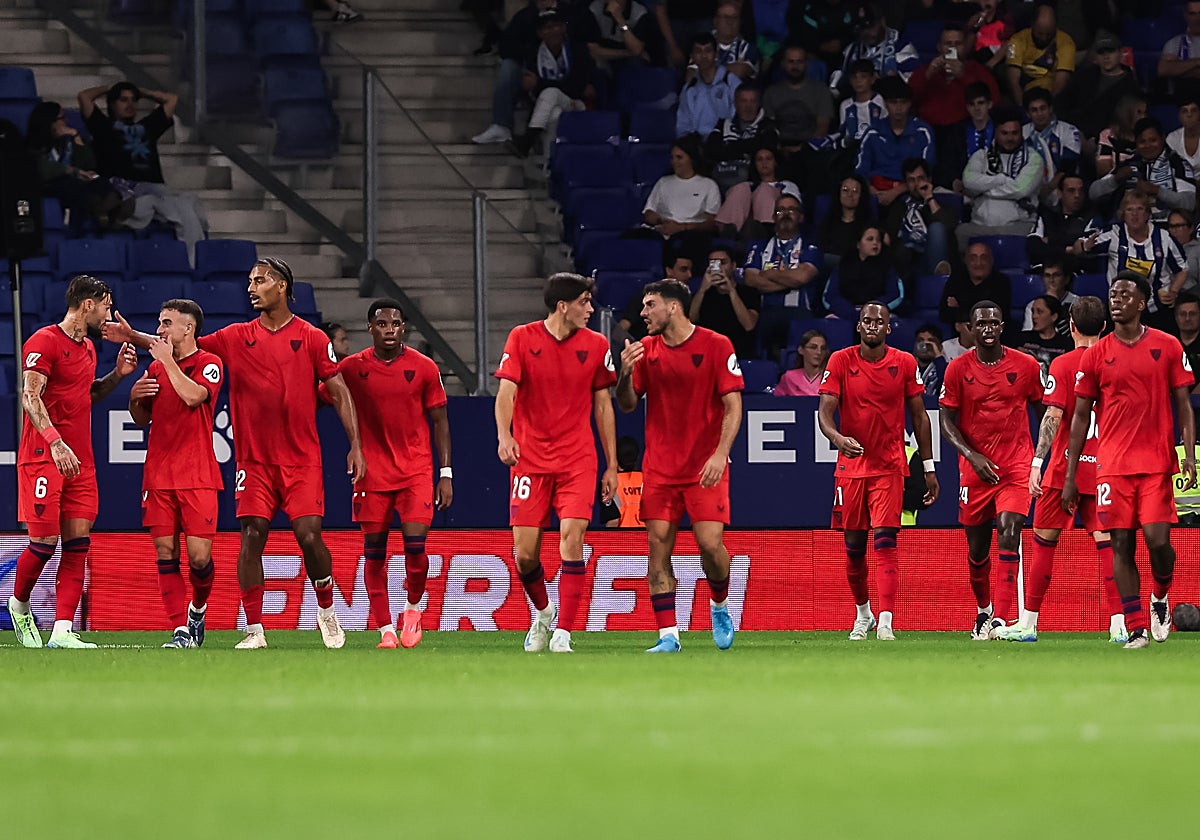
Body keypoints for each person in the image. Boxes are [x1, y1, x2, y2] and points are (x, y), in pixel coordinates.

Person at [105, 258, 365, 649]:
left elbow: (339, 389)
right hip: (253, 460)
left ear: (281, 286)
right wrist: (134, 336)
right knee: (251, 534)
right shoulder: (235, 336)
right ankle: (255, 629)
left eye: (259, 281)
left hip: (301, 457)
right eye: (249, 280)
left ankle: (326, 610)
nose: (251, 287)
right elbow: (180, 345)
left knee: (309, 536)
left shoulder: (311, 337)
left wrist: (355, 445)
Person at [1064, 273, 1197, 649]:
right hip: (1112, 465)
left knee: (1158, 542)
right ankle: (1136, 626)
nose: (1118, 298)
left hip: (1156, 461)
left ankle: (1160, 596)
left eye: (1126, 294)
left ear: (1142, 303)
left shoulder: (1167, 346)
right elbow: (1079, 416)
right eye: (1113, 294)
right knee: (1120, 542)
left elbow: (1184, 404)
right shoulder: (1095, 355)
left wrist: (1187, 455)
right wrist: (1072, 475)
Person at [9, 276, 138, 649]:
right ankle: (18, 605)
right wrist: (55, 443)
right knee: (44, 542)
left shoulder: (88, 350)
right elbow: (30, 396)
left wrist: (117, 376)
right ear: (88, 304)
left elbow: (88, 393)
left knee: (77, 544)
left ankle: (62, 630)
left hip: (81, 462)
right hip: (44, 457)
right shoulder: (44, 340)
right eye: (106, 307)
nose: (108, 315)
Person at [616, 279, 744, 653]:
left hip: (705, 467)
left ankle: (719, 605)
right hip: (659, 470)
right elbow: (626, 404)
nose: (642, 313)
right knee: (658, 550)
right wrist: (625, 374)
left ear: (673, 307)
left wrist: (720, 454)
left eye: (649, 304)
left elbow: (734, 405)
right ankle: (668, 635)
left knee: (710, 545)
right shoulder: (645, 351)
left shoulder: (716, 345)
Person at [495, 273, 618, 654]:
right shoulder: (522, 337)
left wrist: (611, 464)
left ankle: (564, 630)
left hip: (577, 459)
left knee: (572, 540)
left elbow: (603, 406)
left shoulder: (597, 344)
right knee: (525, 554)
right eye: (584, 302)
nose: (590, 309)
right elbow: (506, 393)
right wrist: (505, 435)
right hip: (530, 459)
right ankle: (544, 613)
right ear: (563, 305)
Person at [999, 296, 1127, 642]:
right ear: (1104, 327)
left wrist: (1037, 462)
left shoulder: (1063, 365)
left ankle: (1028, 624)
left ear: (1070, 326)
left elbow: (1053, 416)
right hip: (1104, 469)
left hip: (1063, 468)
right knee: (1108, 545)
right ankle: (1119, 625)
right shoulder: (1117, 362)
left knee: (1044, 543)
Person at [325, 300, 451, 649]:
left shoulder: (424, 368)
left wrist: (446, 472)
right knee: (375, 552)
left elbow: (440, 420)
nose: (390, 330)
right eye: (382, 324)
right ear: (370, 329)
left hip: (415, 471)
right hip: (372, 473)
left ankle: (412, 611)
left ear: (403, 328)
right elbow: (324, 395)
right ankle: (385, 630)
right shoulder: (351, 368)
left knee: (415, 547)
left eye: (396, 324)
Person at [818, 302, 937, 641]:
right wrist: (838, 438)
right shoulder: (840, 360)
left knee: (885, 541)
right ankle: (863, 613)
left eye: (878, 321)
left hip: (889, 466)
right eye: (866, 320)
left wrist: (928, 467)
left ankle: (885, 619)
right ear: (858, 326)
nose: (872, 325)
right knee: (854, 548)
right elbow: (824, 411)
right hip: (851, 468)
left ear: (888, 328)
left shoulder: (904, 362)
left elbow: (919, 417)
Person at [939, 299, 1044, 640]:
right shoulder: (957, 369)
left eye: (993, 323)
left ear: (1002, 326)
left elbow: (1044, 410)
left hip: (1015, 466)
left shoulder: (1026, 366)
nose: (987, 329)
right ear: (970, 328)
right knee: (977, 551)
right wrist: (972, 456)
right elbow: (945, 419)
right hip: (975, 470)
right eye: (980, 323)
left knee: (1009, 529)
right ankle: (983, 609)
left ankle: (999, 618)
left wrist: (1041, 457)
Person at [127, 299, 222, 649]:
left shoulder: (209, 363)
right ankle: (180, 630)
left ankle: (197, 610)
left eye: (167, 323)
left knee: (200, 558)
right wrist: (134, 398)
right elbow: (141, 418)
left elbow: (195, 396)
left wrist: (166, 362)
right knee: (165, 553)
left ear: (188, 328)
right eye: (160, 322)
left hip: (198, 475)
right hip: (158, 476)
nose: (161, 329)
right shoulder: (153, 370)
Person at [77, 82, 208, 262]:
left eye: (133, 100)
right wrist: (110, 87)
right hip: (123, 187)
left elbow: (171, 99)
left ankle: (193, 260)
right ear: (112, 104)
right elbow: (84, 96)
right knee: (167, 206)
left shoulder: (147, 126)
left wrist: (143, 91)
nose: (130, 104)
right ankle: (119, 212)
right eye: (123, 100)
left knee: (187, 205)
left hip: (154, 187)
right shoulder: (103, 126)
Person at [25, 101, 131, 235]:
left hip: (76, 176)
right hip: (51, 183)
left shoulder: (67, 141)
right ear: (50, 122)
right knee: (74, 185)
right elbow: (42, 169)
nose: (66, 121)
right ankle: (106, 212)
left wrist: (77, 137)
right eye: (61, 118)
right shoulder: (33, 145)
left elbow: (88, 164)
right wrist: (71, 170)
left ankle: (112, 202)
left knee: (97, 177)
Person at [1086, 191, 1187, 330]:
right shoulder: (1114, 234)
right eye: (1129, 209)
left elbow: (1182, 268)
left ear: (1147, 213)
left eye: (1139, 209)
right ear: (1123, 214)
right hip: (1120, 309)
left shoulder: (1164, 238)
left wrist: (1173, 291)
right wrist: (1083, 247)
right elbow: (1080, 247)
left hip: (1156, 309)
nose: (1135, 214)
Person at [743, 193, 823, 354]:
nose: (786, 214)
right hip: (767, 311)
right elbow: (751, 279)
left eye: (791, 210)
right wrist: (790, 282)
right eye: (780, 210)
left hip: (799, 311)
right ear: (773, 217)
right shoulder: (758, 246)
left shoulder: (811, 245)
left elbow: (803, 277)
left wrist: (769, 274)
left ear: (801, 217)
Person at [509, 11, 597, 157]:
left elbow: (578, 87)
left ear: (563, 28)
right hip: (546, 106)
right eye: (547, 28)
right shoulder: (533, 53)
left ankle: (527, 140)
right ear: (540, 33)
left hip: (575, 103)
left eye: (556, 26)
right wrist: (543, 85)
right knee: (554, 115)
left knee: (550, 92)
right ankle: (549, 166)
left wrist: (541, 83)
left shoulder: (578, 50)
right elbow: (532, 89)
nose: (552, 31)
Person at [958, 106, 1044, 251]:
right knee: (960, 232)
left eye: (1014, 133)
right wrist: (1001, 179)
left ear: (1021, 133)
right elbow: (968, 181)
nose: (1010, 138)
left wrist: (983, 189)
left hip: (1018, 226)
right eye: (1004, 133)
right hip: (980, 226)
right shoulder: (980, 156)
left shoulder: (1033, 159)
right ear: (996, 133)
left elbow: (1020, 190)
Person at [1090, 117, 1196, 226]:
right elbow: (1093, 193)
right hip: (1128, 234)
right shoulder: (1128, 164)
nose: (1148, 146)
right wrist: (1115, 180)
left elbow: (1189, 202)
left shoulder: (1177, 164)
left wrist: (1157, 191)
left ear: (1163, 138)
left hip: (1167, 231)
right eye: (1142, 142)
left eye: (1153, 140)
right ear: (1136, 142)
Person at [854, 76, 936, 209]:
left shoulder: (923, 131)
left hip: (910, 192)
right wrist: (870, 190)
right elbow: (860, 169)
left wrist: (896, 192)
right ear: (886, 104)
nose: (898, 108)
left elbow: (927, 172)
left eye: (903, 102)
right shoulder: (873, 132)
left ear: (909, 104)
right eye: (893, 102)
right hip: (875, 193)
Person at [909, 23, 999, 130]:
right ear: (939, 47)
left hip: (966, 131)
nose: (953, 48)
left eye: (958, 43)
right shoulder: (924, 71)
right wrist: (927, 76)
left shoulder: (978, 70)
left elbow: (994, 102)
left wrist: (963, 76)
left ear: (965, 47)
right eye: (948, 44)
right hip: (928, 131)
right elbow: (907, 101)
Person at [1056, 32, 1141, 142]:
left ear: (1120, 53)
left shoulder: (1131, 86)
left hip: (1110, 140)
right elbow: (1062, 102)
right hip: (1073, 133)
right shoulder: (1084, 76)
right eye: (1101, 52)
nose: (1106, 57)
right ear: (1096, 57)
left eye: (1111, 51)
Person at [881, 156, 955, 280]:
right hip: (904, 263)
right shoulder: (898, 207)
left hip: (930, 259)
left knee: (937, 228)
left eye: (920, 179)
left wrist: (929, 198)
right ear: (906, 184)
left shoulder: (940, 204)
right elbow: (889, 234)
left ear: (929, 180)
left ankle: (937, 281)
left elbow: (949, 225)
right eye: (911, 180)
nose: (916, 184)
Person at [642, 139, 720, 255]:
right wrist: (661, 221)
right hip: (663, 230)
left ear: (691, 159)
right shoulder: (663, 182)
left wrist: (682, 227)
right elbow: (648, 213)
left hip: (691, 233)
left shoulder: (709, 185)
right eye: (672, 158)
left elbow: (711, 223)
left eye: (679, 157)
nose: (674, 162)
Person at [704, 85, 780, 194]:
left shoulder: (768, 125)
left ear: (759, 104)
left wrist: (727, 146)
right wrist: (746, 149)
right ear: (735, 103)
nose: (748, 107)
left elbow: (766, 148)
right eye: (743, 101)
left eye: (752, 101)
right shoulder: (723, 124)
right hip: (719, 185)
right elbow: (710, 151)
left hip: (753, 188)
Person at [689, 244, 761, 359]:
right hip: (707, 353)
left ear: (733, 266)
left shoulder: (749, 293)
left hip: (738, 353)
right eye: (713, 263)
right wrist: (702, 290)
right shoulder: (702, 294)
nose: (718, 268)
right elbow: (691, 320)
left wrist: (731, 291)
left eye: (722, 263)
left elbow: (749, 325)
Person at [828, 3, 919, 93]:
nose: (866, 32)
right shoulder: (851, 50)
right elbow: (835, 84)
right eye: (862, 28)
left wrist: (889, 80)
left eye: (870, 27)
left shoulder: (901, 46)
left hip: (890, 102)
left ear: (883, 22)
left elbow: (915, 83)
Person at [714, 147, 799, 240]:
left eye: (768, 159)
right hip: (742, 227)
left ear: (775, 162)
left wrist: (778, 213)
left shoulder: (787, 185)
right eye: (759, 159)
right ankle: (728, 233)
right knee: (741, 188)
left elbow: (793, 212)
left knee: (764, 189)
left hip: (777, 222)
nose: (764, 163)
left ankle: (766, 231)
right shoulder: (747, 186)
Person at [1026, 174, 1104, 272]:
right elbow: (1033, 246)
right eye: (1071, 191)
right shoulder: (1047, 215)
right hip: (1045, 270)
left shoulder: (1092, 216)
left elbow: (1086, 245)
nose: (1077, 195)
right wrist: (1068, 249)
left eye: (1080, 191)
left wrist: (1050, 241)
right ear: (1060, 193)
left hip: (1076, 272)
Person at [822, 225, 903, 319]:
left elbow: (895, 295)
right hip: (845, 313)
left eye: (878, 240)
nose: (875, 243)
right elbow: (830, 296)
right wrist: (849, 311)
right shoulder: (843, 266)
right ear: (858, 244)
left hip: (877, 314)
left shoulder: (888, 267)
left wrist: (870, 309)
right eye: (870, 239)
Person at [762, 45, 834, 148]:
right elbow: (769, 128)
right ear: (783, 64)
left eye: (799, 62)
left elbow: (822, 127)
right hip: (780, 150)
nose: (795, 66)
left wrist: (804, 149)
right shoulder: (771, 92)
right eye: (791, 62)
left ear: (806, 64)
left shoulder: (821, 90)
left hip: (811, 149)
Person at [1005, 3, 1075, 103]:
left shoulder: (1066, 42)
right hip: (1024, 94)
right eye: (1040, 33)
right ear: (1032, 25)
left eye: (1049, 34)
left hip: (1050, 96)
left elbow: (1061, 80)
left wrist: (1046, 107)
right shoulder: (1017, 40)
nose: (1044, 38)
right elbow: (1012, 79)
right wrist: (1023, 108)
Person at [933, 81, 994, 192]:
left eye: (981, 103)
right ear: (967, 107)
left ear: (989, 104)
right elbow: (945, 164)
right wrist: (952, 181)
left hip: (994, 185)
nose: (977, 108)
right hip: (964, 188)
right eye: (972, 104)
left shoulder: (1002, 128)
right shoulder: (956, 131)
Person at [676, 32, 741, 138]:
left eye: (708, 51)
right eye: (698, 51)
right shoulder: (689, 88)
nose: (703, 56)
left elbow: (739, 120)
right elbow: (683, 126)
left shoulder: (731, 82)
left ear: (716, 54)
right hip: (697, 145)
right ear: (692, 56)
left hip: (726, 142)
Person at [618, 253, 693, 340]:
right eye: (683, 269)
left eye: (690, 270)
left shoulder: (688, 296)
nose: (689, 275)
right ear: (669, 270)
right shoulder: (648, 295)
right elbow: (622, 327)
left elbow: (692, 319)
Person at [938, 240, 1011, 326]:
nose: (978, 263)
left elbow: (997, 317)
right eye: (973, 258)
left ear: (991, 261)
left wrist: (960, 307)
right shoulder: (956, 279)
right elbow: (945, 314)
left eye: (984, 258)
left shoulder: (1001, 282)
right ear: (966, 261)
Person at [817, 173, 875, 273]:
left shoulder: (869, 224)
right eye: (845, 190)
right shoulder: (828, 220)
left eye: (855, 191)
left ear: (861, 195)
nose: (850, 195)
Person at [1022, 88, 1080, 185]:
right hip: (1028, 186)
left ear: (1050, 109)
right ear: (1028, 114)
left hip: (1062, 186)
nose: (1039, 114)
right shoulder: (1022, 132)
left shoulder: (1069, 130)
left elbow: (1068, 166)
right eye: (1034, 110)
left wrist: (1049, 189)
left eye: (1043, 108)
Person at [1013, 294, 1073, 374]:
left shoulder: (1066, 345)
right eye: (1033, 312)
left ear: (1054, 317)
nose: (1034, 316)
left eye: (1039, 312)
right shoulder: (1022, 339)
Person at [1094, 93, 1148, 180]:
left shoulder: (1146, 136)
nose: (1143, 117)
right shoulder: (1108, 135)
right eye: (1139, 112)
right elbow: (1103, 171)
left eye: (1144, 113)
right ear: (1126, 113)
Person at [1158, 0, 1200, 102]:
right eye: (1192, 14)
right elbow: (1163, 70)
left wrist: (1181, 69)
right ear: (1186, 16)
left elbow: (1172, 69)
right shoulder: (1174, 43)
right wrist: (1198, 62)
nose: (1198, 19)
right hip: (1183, 101)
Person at [1021, 259, 1077, 335]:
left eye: (1056, 275)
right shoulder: (1033, 305)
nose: (1051, 280)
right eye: (1047, 275)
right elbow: (1028, 334)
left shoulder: (1078, 303)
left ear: (1066, 279)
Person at [600, 436, 644, 528]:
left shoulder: (609, 483)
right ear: (637, 457)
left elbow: (613, 521)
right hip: (647, 539)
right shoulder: (648, 481)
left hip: (622, 539)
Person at [837, 59, 884, 144]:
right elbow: (842, 131)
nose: (858, 81)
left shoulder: (881, 101)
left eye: (863, 76)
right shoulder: (845, 105)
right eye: (854, 77)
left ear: (872, 79)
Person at [774, 328, 828, 396]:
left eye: (823, 348)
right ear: (801, 350)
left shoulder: (832, 378)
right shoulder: (789, 377)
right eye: (813, 347)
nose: (819, 352)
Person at [1167, 95, 1200, 175]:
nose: (1189, 115)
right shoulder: (1172, 139)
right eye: (1184, 111)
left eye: (1194, 110)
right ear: (1179, 116)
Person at [913, 323, 946, 398]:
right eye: (920, 341)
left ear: (939, 347)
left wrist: (938, 356)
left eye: (931, 341)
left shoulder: (945, 368)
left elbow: (946, 382)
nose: (925, 345)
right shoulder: (907, 367)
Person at [1175, 292, 1200, 385]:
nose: (1187, 318)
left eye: (1193, 314)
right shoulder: (1168, 343)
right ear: (1176, 317)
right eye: (1182, 314)